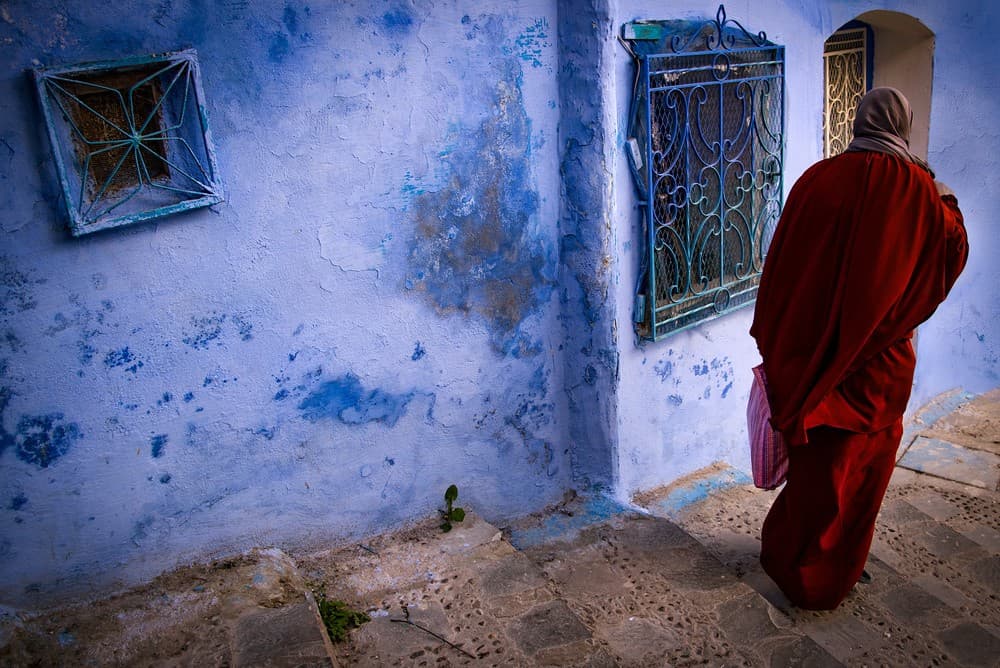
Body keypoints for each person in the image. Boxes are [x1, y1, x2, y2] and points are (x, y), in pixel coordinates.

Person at [749, 87, 969, 610]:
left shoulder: (816, 179)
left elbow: (780, 267)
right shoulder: (920, 190)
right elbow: (952, 251)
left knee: (817, 468)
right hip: (879, 366)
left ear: (860, 122)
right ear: (903, 125)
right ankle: (829, 573)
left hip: (811, 359)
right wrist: (947, 198)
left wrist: (787, 339)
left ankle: (789, 558)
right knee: (861, 472)